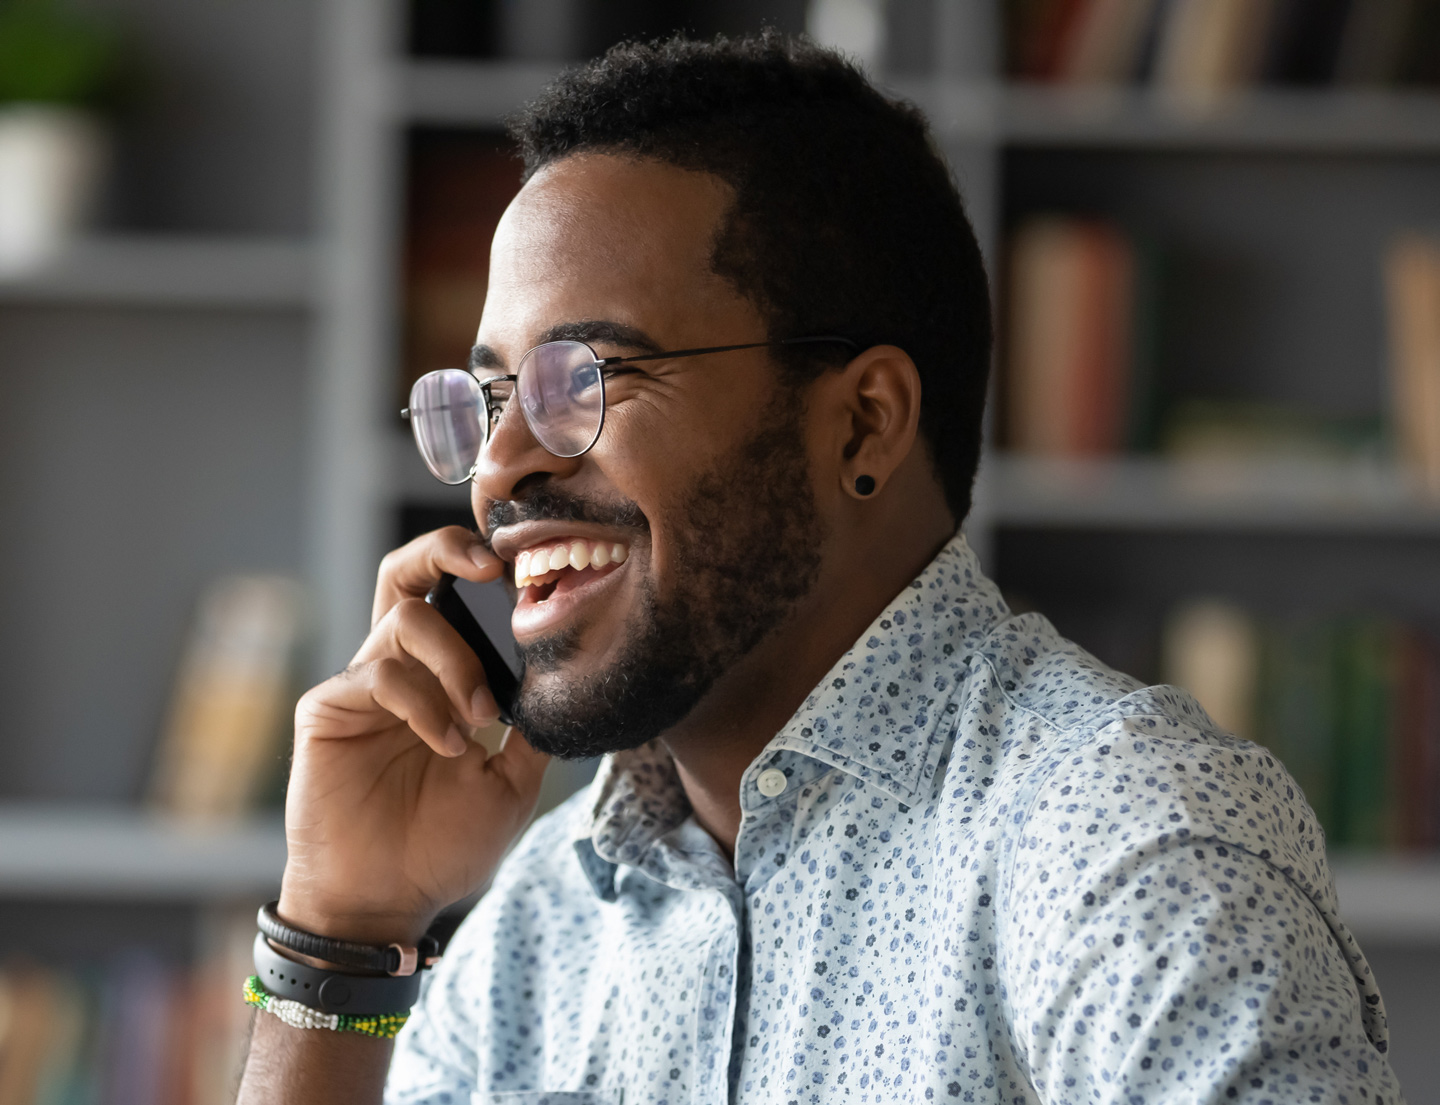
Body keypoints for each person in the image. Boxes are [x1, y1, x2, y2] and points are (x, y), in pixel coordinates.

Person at [237, 32, 1403, 1105]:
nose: (496, 468)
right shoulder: (536, 926)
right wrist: (344, 925)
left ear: (862, 425)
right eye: (489, 397)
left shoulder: (1124, 841)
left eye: (585, 378)